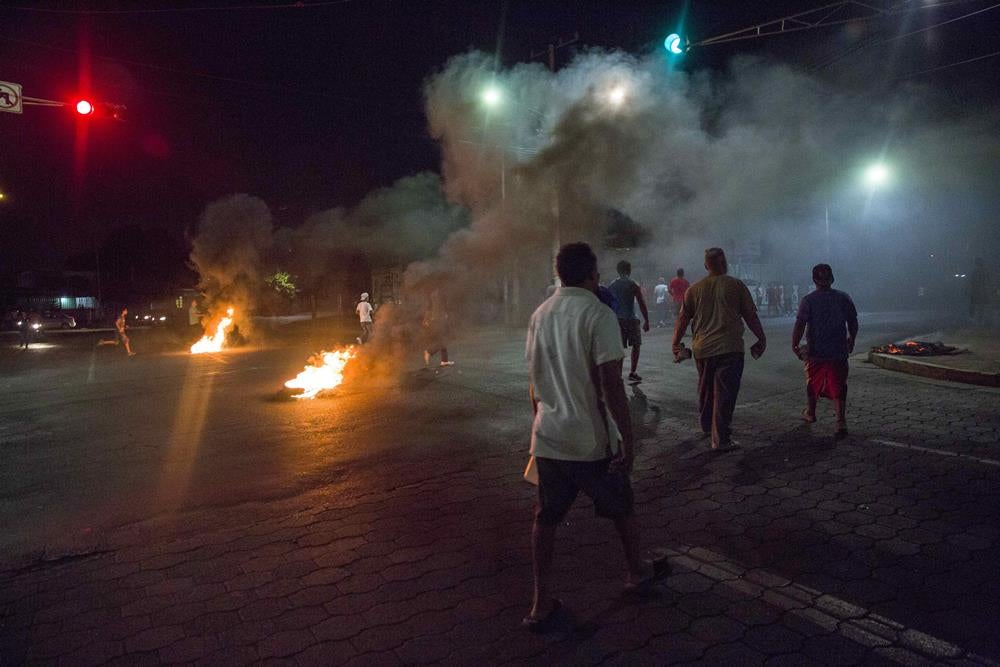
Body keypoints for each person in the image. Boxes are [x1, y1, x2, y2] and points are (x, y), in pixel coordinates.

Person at [523, 242, 668, 631]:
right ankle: (636, 572)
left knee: (546, 518)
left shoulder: (539, 315)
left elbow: (534, 382)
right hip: (591, 442)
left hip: (550, 438)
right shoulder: (597, 314)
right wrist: (628, 436)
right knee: (622, 506)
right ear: (590, 274)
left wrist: (541, 422)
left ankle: (540, 603)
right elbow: (610, 385)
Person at [672, 248, 766, 451]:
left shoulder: (694, 289)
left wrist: (675, 343)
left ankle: (707, 427)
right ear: (725, 264)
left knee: (706, 389)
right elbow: (751, 316)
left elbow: (682, 319)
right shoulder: (736, 285)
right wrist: (761, 337)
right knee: (725, 393)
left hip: (702, 349)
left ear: (706, 266)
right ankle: (721, 439)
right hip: (729, 348)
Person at [792, 264, 858, 439]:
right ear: (832, 279)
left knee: (813, 381)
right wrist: (852, 339)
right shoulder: (844, 298)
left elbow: (800, 324)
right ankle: (840, 421)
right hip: (838, 350)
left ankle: (811, 412)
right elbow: (853, 321)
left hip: (816, 351)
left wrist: (795, 345)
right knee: (839, 383)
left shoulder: (808, 301)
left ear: (814, 280)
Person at [608, 260, 651, 383]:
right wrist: (646, 320)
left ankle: (618, 375)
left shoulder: (612, 285)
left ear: (618, 270)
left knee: (619, 348)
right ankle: (632, 372)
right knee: (636, 346)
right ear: (629, 270)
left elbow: (609, 305)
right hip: (631, 319)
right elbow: (642, 303)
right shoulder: (633, 284)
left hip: (617, 320)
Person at [422, 290, 454, 368]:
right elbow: (445, 305)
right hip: (440, 319)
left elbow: (428, 308)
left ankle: (444, 361)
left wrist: (426, 319)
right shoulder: (440, 292)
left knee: (443, 339)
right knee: (443, 340)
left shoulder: (432, 293)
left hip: (437, 319)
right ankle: (429, 351)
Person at [970, 257, 991, 324]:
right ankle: (981, 321)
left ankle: (978, 321)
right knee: (981, 307)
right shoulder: (985, 271)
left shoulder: (975, 272)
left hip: (978, 292)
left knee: (977, 306)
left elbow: (973, 283)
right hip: (983, 291)